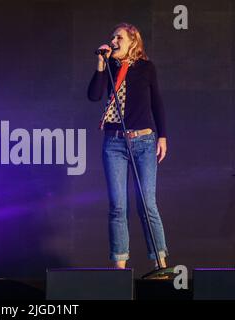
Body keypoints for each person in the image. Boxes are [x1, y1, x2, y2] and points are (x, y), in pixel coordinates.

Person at [87, 23, 168, 269]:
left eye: (118, 37)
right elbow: (94, 95)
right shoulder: (109, 66)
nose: (113, 41)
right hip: (114, 143)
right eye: (112, 37)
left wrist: (162, 136)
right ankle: (119, 269)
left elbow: (157, 103)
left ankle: (160, 264)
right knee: (117, 206)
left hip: (143, 141)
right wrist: (101, 65)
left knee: (147, 203)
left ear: (133, 41)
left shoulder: (146, 68)